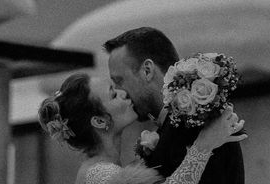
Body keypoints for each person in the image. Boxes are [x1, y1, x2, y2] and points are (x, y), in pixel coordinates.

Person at [38, 72, 247, 184]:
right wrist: (204, 145)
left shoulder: (106, 167)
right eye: (113, 94)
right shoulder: (99, 174)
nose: (124, 93)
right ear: (99, 121)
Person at [104, 27, 245, 184]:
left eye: (119, 81)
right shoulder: (174, 126)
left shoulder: (199, 125)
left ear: (147, 70)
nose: (120, 92)